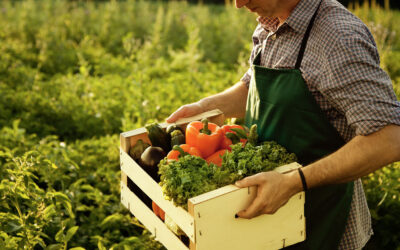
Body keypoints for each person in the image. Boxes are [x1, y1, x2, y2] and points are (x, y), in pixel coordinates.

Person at [166, 0, 400, 249]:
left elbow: (389, 138)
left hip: (322, 222)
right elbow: (253, 86)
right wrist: (206, 107)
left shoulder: (338, 37)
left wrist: (293, 182)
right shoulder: (271, 22)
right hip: (267, 223)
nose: (238, 4)